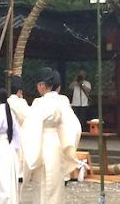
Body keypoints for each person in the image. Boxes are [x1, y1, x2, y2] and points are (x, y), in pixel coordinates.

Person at [21, 67, 79, 204]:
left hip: (41, 145)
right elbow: (74, 127)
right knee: (55, 186)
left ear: (42, 85)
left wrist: (30, 153)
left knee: (41, 186)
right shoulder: (62, 101)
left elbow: (30, 128)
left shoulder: (39, 103)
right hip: (56, 145)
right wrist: (68, 147)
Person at [7, 76, 29, 182]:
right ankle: (20, 173)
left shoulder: (7, 101)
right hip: (20, 130)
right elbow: (27, 117)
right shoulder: (21, 102)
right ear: (20, 91)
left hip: (8, 132)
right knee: (21, 151)